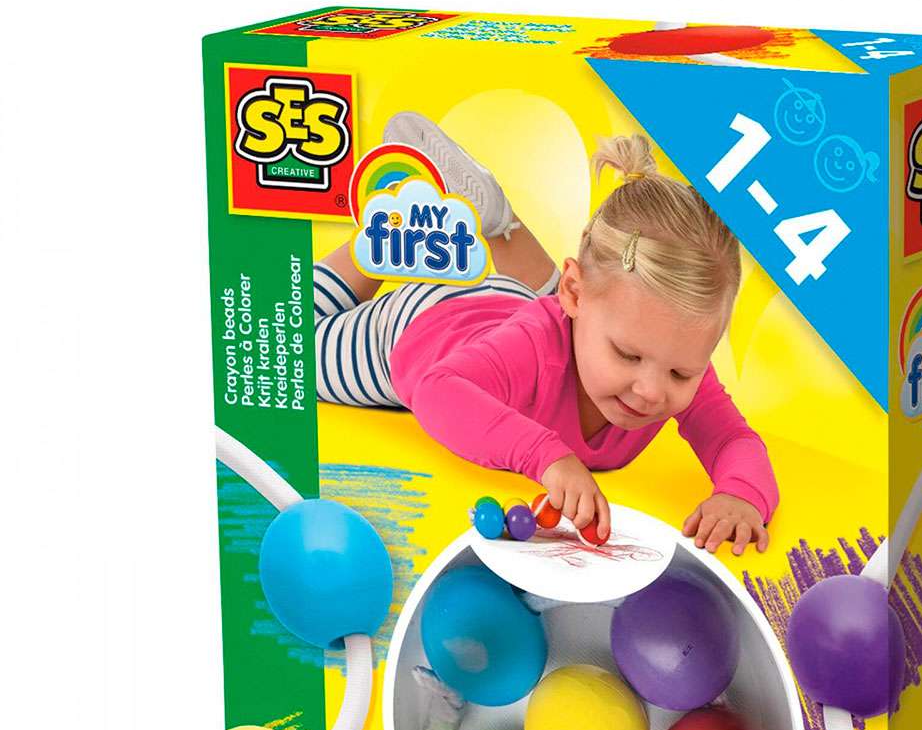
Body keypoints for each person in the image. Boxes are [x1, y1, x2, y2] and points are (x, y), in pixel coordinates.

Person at [314, 115, 778, 556]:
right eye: (627, 355)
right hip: (417, 326)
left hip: (514, 303)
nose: (653, 391)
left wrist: (740, 495)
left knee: (583, 308)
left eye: (681, 373)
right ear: (573, 294)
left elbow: (734, 440)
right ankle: (391, 227)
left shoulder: (660, 345)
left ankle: (499, 226)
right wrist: (546, 456)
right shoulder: (538, 347)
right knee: (300, 345)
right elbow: (437, 390)